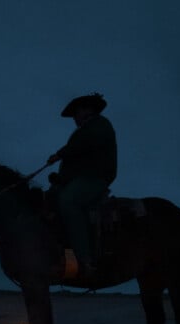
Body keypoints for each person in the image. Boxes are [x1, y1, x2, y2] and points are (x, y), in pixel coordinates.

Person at [47, 93, 117, 274]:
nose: (74, 119)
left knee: (68, 201)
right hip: (79, 179)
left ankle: (85, 260)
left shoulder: (99, 125)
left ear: (87, 110)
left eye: (75, 114)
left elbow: (83, 145)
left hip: (95, 178)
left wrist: (60, 154)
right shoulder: (86, 130)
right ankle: (63, 256)